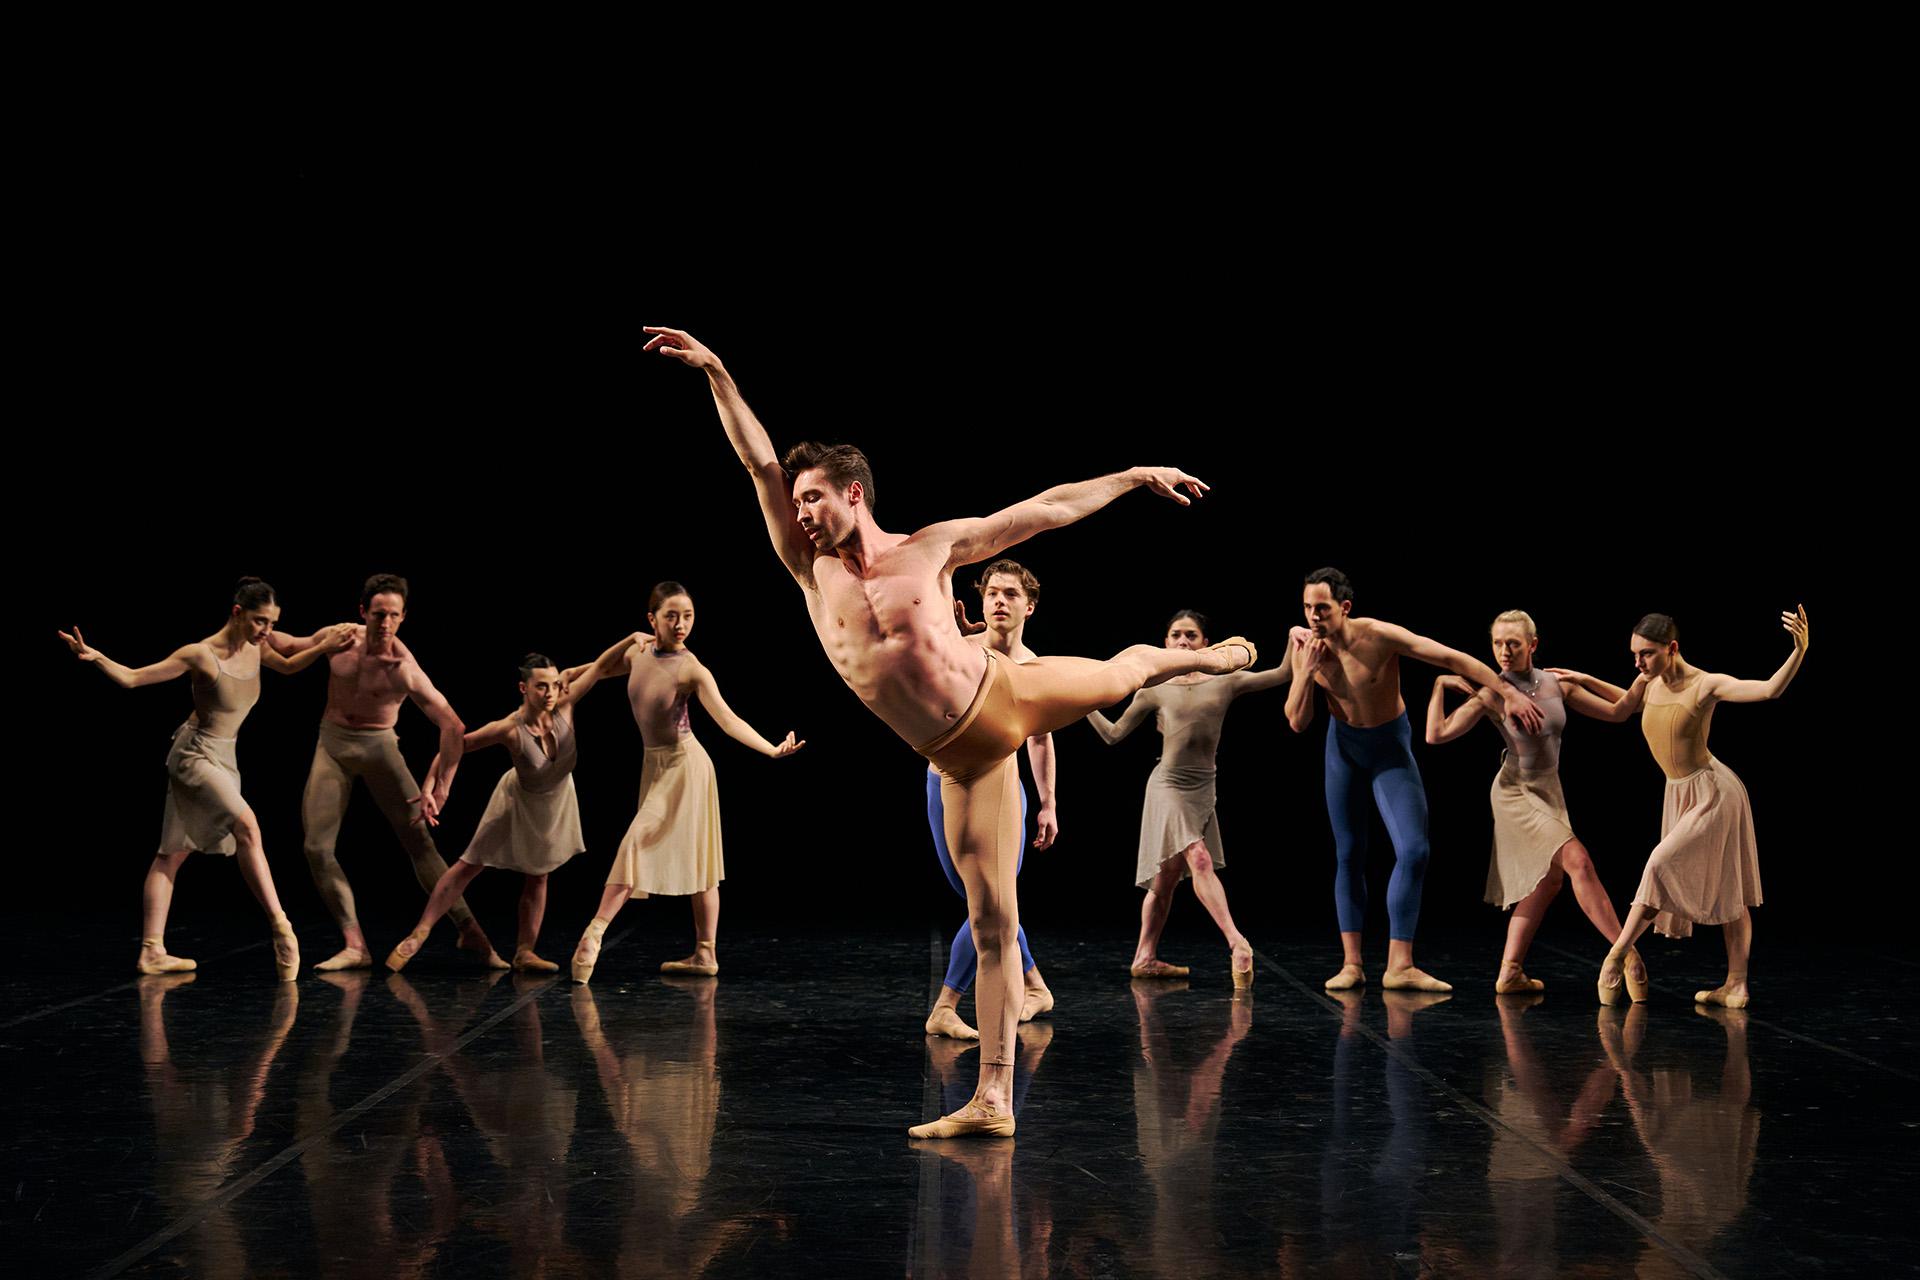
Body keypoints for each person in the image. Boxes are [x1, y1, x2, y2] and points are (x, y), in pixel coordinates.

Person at [644, 324, 1254, 1140]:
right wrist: (718, 372)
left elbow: (1040, 512)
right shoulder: (808, 568)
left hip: (1005, 695)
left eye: (814, 496)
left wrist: (1135, 475)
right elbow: (756, 462)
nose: (801, 511)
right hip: (955, 761)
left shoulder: (931, 550)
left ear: (854, 492)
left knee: (1131, 668)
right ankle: (994, 1101)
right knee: (994, 917)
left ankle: (1209, 658)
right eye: (795, 503)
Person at [60, 576, 352, 978]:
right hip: (194, 755)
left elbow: (288, 663)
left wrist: (325, 642)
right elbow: (133, 678)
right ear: (237, 613)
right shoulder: (200, 655)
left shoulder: (258, 646)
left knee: (172, 852)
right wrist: (96, 657)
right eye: (260, 621)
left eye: (271, 623)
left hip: (224, 757)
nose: (267, 631)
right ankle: (282, 928)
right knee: (248, 824)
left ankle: (151, 951)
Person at [1285, 567, 1545, 993]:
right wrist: (1304, 671)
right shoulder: (1306, 650)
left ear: (1345, 608)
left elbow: (1450, 657)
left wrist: (1508, 692)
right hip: (1343, 751)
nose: (1314, 617)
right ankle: (1351, 964)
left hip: (1389, 747)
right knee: (1350, 853)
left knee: (1414, 849)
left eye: (1323, 608)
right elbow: (1297, 722)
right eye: (1308, 608)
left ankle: (1400, 964)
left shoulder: (1379, 635)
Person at [1551, 607, 1809, 1008]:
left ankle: (1615, 955)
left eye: (1647, 654)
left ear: (1672, 648)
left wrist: (1799, 650)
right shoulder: (1647, 682)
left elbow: (1769, 689)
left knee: (1659, 864)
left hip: (1713, 793)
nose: (1638, 662)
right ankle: (1736, 985)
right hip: (1679, 794)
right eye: (1635, 654)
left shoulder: (1705, 685)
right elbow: (1622, 708)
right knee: (1730, 891)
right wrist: (1582, 679)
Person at [567, 581, 805, 984]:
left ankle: (595, 933)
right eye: (671, 616)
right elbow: (600, 668)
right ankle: (704, 954)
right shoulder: (637, 652)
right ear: (652, 619)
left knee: (646, 844)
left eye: (688, 616)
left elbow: (729, 720)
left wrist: (770, 749)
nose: (681, 625)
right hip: (654, 765)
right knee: (674, 853)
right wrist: (617, 644)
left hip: (685, 765)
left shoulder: (690, 669)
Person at [1425, 609, 1646, 995]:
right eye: (1497, 643)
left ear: (1533, 645)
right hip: (1515, 791)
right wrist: (1440, 687)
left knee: (1546, 883)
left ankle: (1510, 972)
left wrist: (1591, 677)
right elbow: (1437, 735)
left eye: (1513, 643)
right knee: (1578, 861)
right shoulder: (1493, 692)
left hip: (1550, 791)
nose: (1504, 652)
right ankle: (1625, 953)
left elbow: (1623, 710)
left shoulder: (1556, 685)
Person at [299, 573, 505, 972]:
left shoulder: (403, 667)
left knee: (420, 841)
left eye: (394, 615)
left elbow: (453, 726)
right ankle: (354, 944)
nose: (386, 623)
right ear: (363, 611)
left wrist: (441, 786)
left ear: (403, 617)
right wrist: (241, 633)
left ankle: (470, 929)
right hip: (333, 746)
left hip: (379, 748)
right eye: (379, 614)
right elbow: (285, 648)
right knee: (316, 848)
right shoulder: (339, 639)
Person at [1087, 608, 1291, 988]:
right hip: (1166, 785)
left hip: (1203, 786)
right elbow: (1113, 735)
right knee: (1198, 858)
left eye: (1191, 636)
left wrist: (1297, 642)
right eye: (1176, 635)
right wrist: (1084, 704)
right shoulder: (1154, 689)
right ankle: (1237, 943)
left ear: (1205, 644)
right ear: (1165, 643)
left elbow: (1281, 674)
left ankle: (1144, 957)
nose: (1182, 642)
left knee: (1164, 881)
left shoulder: (1225, 682)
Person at [386, 651, 612, 973]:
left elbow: (605, 666)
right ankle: (418, 935)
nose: (549, 694)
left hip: (557, 801)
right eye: (540, 687)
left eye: (553, 686)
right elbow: (454, 746)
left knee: (539, 873)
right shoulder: (509, 728)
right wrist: (429, 786)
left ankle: (525, 952)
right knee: (470, 863)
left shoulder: (565, 703)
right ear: (523, 688)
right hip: (517, 801)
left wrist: (631, 642)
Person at [924, 558, 1059, 1040]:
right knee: (980, 901)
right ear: (980, 601)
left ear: (1030, 606)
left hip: (1003, 793)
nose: (999, 601)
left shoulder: (1033, 667)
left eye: (1010, 594)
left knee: (994, 903)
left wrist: (1048, 803)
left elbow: (1041, 741)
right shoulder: (962, 650)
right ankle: (1037, 984)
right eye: (992, 593)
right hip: (945, 785)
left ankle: (945, 1004)